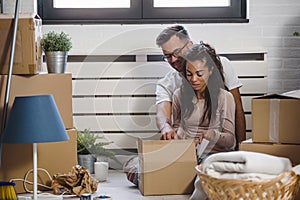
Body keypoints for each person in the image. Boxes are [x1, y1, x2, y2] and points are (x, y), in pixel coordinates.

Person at [156, 25, 245, 150]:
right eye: (168, 56)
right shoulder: (171, 86)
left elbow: (238, 110)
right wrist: (167, 128)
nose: (174, 59)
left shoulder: (222, 66)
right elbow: (163, 113)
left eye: (176, 52)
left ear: (189, 45)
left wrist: (241, 151)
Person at [172, 42, 236, 161]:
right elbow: (176, 127)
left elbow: (230, 141)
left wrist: (213, 135)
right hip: (187, 155)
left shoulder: (225, 97)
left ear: (211, 70)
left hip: (214, 157)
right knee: (141, 168)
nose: (193, 80)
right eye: (189, 74)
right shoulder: (178, 95)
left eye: (199, 74)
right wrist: (178, 132)